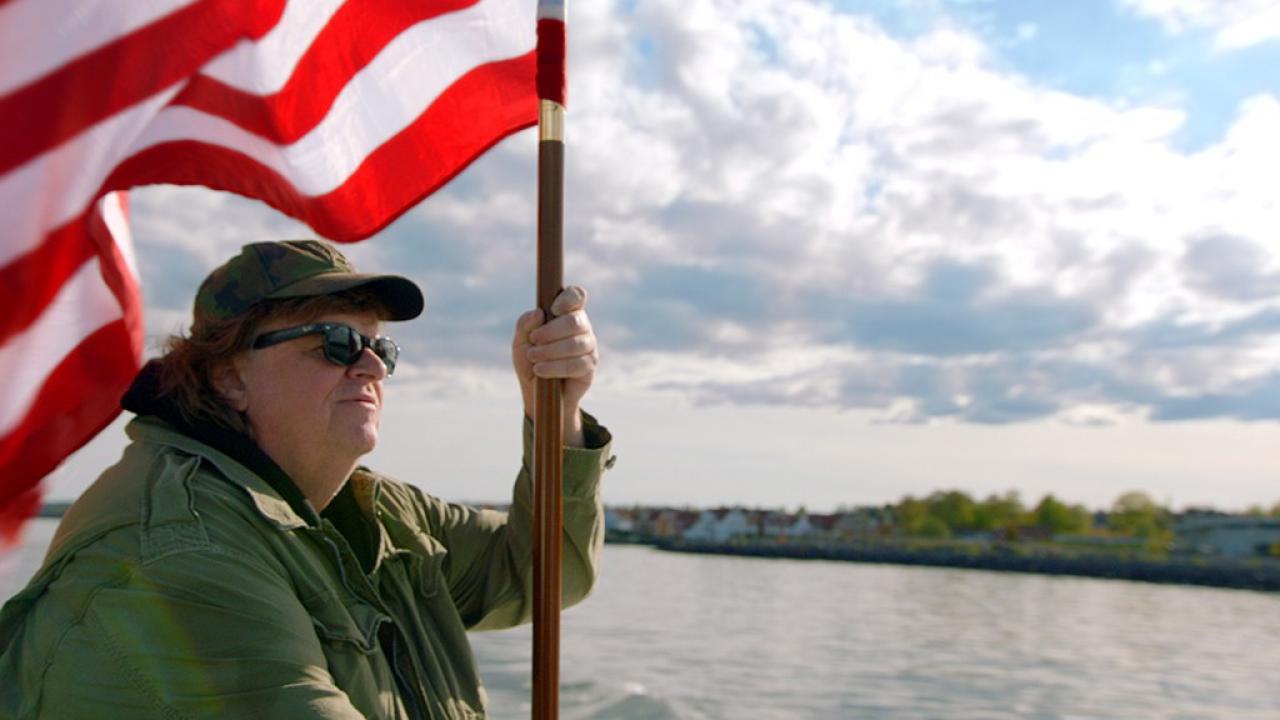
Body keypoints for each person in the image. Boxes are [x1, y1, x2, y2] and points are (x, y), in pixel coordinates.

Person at [0, 239, 613, 719]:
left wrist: (554, 411)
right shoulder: (177, 549)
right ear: (228, 376)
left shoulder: (376, 511)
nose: (372, 366)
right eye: (337, 342)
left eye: (382, 349)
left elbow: (545, 569)